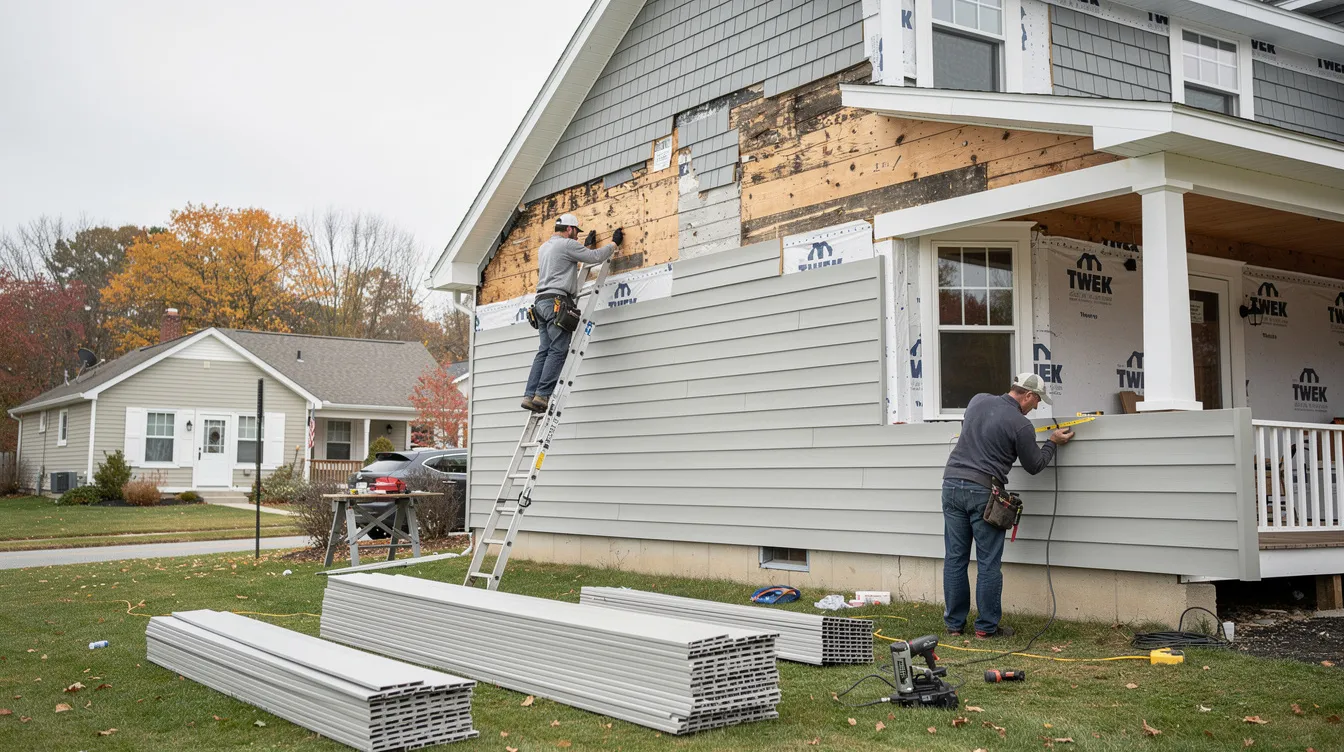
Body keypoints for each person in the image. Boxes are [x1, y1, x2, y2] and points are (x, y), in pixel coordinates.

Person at [941, 373, 1075, 639]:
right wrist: (1051, 443)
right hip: (983, 491)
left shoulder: (977, 401)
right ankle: (986, 628)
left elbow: (975, 429)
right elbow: (1034, 465)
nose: (1035, 408)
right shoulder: (1020, 425)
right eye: (1036, 401)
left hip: (951, 484)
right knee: (989, 562)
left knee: (955, 558)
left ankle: (954, 626)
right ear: (1027, 395)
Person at [521, 213, 621, 413]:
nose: (576, 236)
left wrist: (584, 245)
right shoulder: (567, 245)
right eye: (576, 232)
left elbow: (565, 262)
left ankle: (530, 395)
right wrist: (613, 244)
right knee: (558, 349)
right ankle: (542, 395)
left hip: (540, 303)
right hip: (557, 302)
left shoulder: (544, 247)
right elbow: (595, 258)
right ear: (569, 229)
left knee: (544, 350)